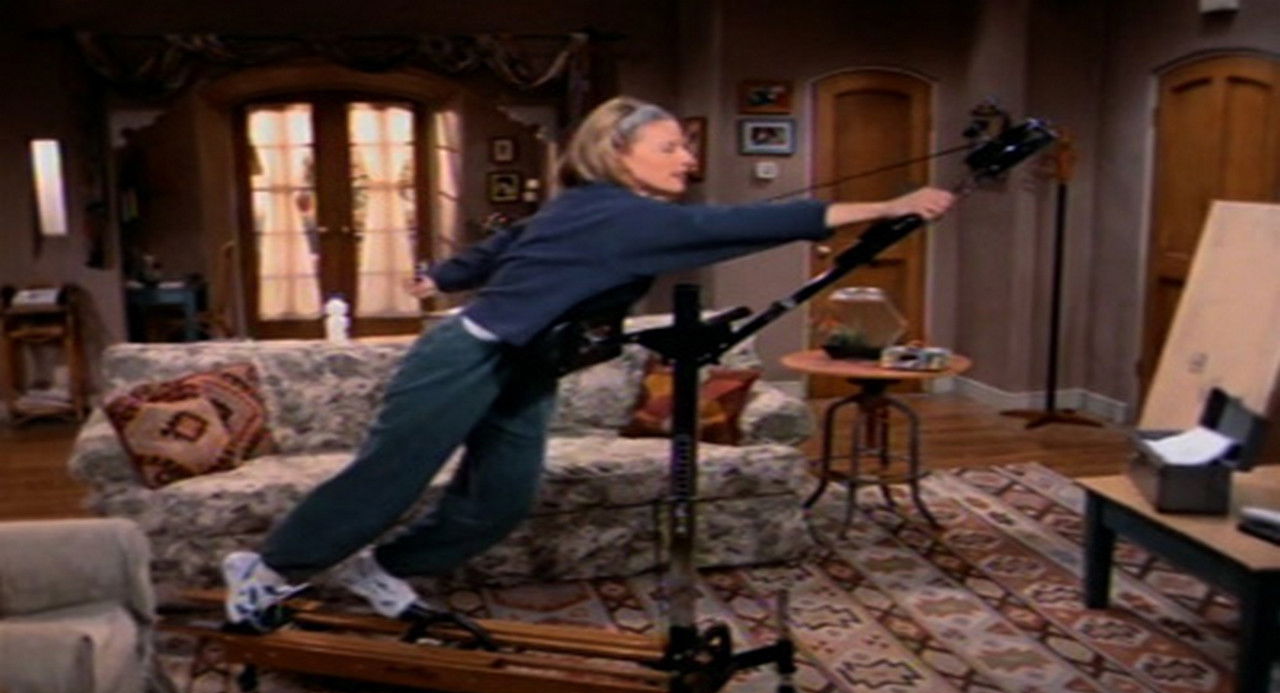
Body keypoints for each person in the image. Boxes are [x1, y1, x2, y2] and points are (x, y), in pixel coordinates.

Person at [222, 96, 955, 629]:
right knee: (389, 479)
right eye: (670, 147)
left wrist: (444, 274)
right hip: (470, 353)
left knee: (500, 501)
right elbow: (732, 224)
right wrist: (883, 206)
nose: (688, 159)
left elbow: (509, 243)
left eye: (685, 147)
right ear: (618, 152)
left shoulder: (586, 206)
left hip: (529, 365)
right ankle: (265, 571)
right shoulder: (622, 214)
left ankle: (384, 568)